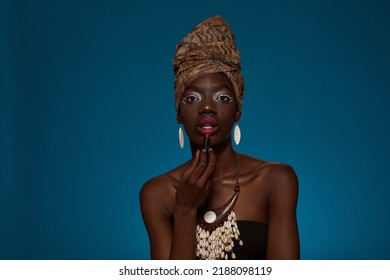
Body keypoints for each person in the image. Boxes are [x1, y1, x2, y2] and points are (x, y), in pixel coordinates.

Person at [140, 15, 299, 260]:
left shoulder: (275, 181)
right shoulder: (157, 193)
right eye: (191, 98)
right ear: (178, 114)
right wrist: (185, 209)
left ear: (237, 110)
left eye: (222, 98)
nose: (206, 108)